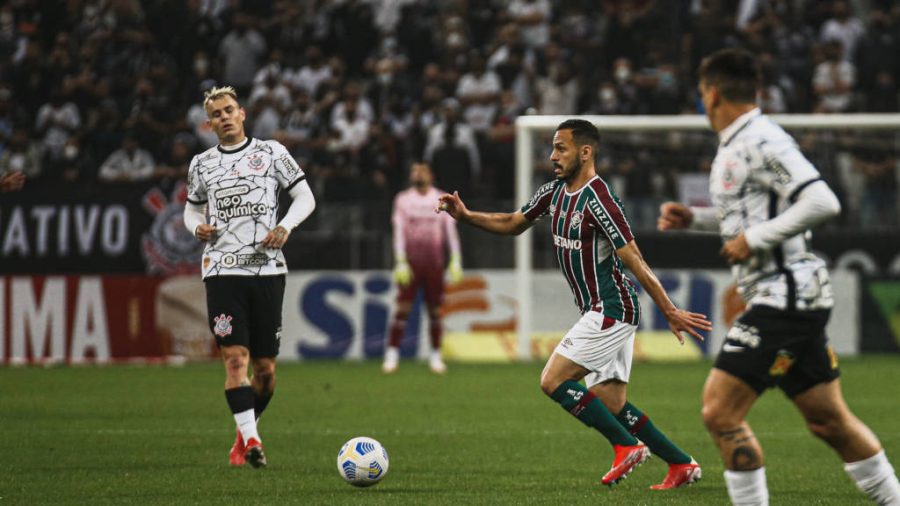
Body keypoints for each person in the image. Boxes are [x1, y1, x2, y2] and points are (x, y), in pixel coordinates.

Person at [658, 48, 900, 505]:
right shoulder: (739, 143)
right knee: (829, 421)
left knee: (720, 413)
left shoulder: (762, 141)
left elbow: (822, 202)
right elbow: (749, 215)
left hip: (783, 297)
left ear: (709, 95)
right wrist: (695, 218)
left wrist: (756, 239)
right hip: (790, 298)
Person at [437, 119, 710, 489]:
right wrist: (467, 216)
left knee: (553, 380)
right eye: (552, 148)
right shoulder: (553, 193)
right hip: (601, 309)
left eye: (561, 148)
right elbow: (512, 222)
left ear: (585, 152)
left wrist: (669, 309)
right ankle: (680, 464)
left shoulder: (600, 200)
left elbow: (635, 260)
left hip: (612, 308)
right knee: (611, 404)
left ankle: (626, 446)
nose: (552, 156)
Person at [183, 86, 316, 468]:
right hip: (223, 271)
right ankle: (253, 442)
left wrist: (286, 226)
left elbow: (305, 197)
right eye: (217, 114)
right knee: (235, 360)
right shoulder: (202, 164)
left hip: (268, 269)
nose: (224, 117)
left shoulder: (272, 152)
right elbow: (191, 211)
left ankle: (245, 430)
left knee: (266, 372)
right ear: (209, 125)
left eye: (229, 110)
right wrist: (197, 230)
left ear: (242, 114)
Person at [383, 161, 462, 375]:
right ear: (411, 176)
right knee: (402, 308)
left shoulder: (441, 198)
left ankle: (436, 356)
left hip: (434, 263)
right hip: (410, 263)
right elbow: (398, 230)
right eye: (415, 171)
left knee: (435, 311)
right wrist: (399, 260)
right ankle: (392, 355)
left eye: (422, 170)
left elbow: (450, 230)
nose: (418, 174)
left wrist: (455, 258)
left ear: (431, 175)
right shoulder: (403, 199)